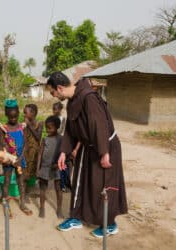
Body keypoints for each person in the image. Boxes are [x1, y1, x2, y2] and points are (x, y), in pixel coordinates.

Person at [47, 72, 128, 238]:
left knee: (104, 185)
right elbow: (70, 129)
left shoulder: (88, 97)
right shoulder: (73, 101)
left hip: (104, 147)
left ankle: (110, 224)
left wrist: (104, 153)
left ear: (60, 88)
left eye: (52, 92)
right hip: (88, 148)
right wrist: (64, 152)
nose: (53, 96)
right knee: (81, 183)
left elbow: (99, 125)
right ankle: (76, 217)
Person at [0, 99, 32, 216]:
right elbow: (2, 144)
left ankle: (22, 203)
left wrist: (20, 158)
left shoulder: (22, 127)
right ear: (6, 115)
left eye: (15, 117)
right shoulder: (3, 128)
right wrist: (11, 159)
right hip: (8, 159)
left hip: (20, 158)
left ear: (18, 114)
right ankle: (6, 205)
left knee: (21, 181)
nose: (13, 119)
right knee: (6, 181)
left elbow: (26, 143)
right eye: (11, 117)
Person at [37, 116, 63, 219]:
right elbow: (40, 154)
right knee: (42, 188)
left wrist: (58, 164)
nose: (47, 130)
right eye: (46, 128)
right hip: (44, 167)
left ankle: (59, 209)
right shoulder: (45, 139)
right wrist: (37, 169)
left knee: (58, 189)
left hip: (56, 167)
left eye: (50, 128)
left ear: (57, 127)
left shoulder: (61, 139)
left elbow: (64, 153)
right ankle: (42, 207)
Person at [22, 103, 43, 199]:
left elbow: (38, 137)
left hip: (34, 153)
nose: (24, 115)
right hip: (26, 152)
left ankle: (34, 191)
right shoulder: (24, 123)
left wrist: (29, 125)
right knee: (25, 172)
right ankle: (25, 193)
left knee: (35, 172)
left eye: (26, 112)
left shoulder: (40, 123)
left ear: (33, 113)